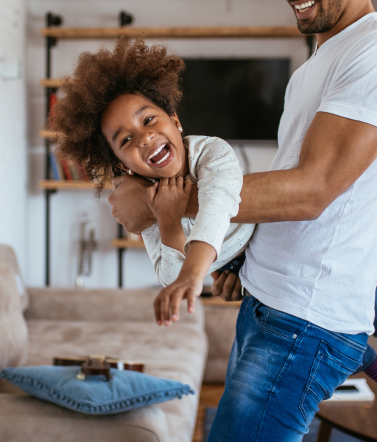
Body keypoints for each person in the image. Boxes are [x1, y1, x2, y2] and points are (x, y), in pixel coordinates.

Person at [107, 0, 377, 442]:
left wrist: (169, 203)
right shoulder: (317, 65)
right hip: (271, 300)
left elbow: (313, 189)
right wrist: (243, 260)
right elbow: (288, 195)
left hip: (305, 319)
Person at [47, 38, 256, 318]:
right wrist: (168, 222)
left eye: (148, 120)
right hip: (234, 273)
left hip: (262, 246)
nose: (145, 138)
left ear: (175, 120)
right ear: (122, 166)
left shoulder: (212, 152)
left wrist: (194, 272)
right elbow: (169, 277)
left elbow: (218, 202)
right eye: (126, 139)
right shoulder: (149, 198)